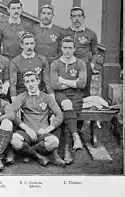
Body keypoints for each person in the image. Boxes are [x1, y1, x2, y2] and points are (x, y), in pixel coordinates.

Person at [11, 71, 65, 167]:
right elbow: (11, 112)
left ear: (38, 81)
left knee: (54, 142)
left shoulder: (47, 97)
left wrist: (47, 129)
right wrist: (27, 129)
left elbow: (59, 115)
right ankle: (37, 156)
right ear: (24, 84)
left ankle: (29, 152)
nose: (30, 84)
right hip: (27, 133)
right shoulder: (22, 97)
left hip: (42, 132)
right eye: (27, 82)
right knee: (14, 141)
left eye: (32, 81)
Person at [50, 36, 87, 164]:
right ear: (61, 48)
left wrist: (63, 80)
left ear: (74, 49)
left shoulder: (80, 63)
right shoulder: (55, 63)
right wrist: (73, 82)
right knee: (66, 104)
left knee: (68, 114)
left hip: (76, 95)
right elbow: (54, 85)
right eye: (65, 48)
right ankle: (74, 139)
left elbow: (82, 84)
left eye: (70, 48)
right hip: (61, 95)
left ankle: (66, 148)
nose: (67, 50)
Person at [63, 6, 98, 98]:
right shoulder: (65, 33)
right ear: (71, 18)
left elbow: (95, 52)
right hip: (69, 64)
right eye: (74, 16)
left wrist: (91, 65)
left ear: (83, 17)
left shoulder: (91, 34)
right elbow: (60, 50)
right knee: (69, 89)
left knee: (84, 92)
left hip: (84, 65)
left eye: (79, 16)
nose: (77, 19)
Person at [10, 32, 54, 102]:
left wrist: (52, 98)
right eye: (27, 44)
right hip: (21, 95)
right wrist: (14, 101)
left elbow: (47, 82)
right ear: (21, 45)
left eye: (32, 43)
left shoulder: (42, 59)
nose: (29, 47)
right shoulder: (15, 61)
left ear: (35, 44)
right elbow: (13, 84)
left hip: (39, 94)